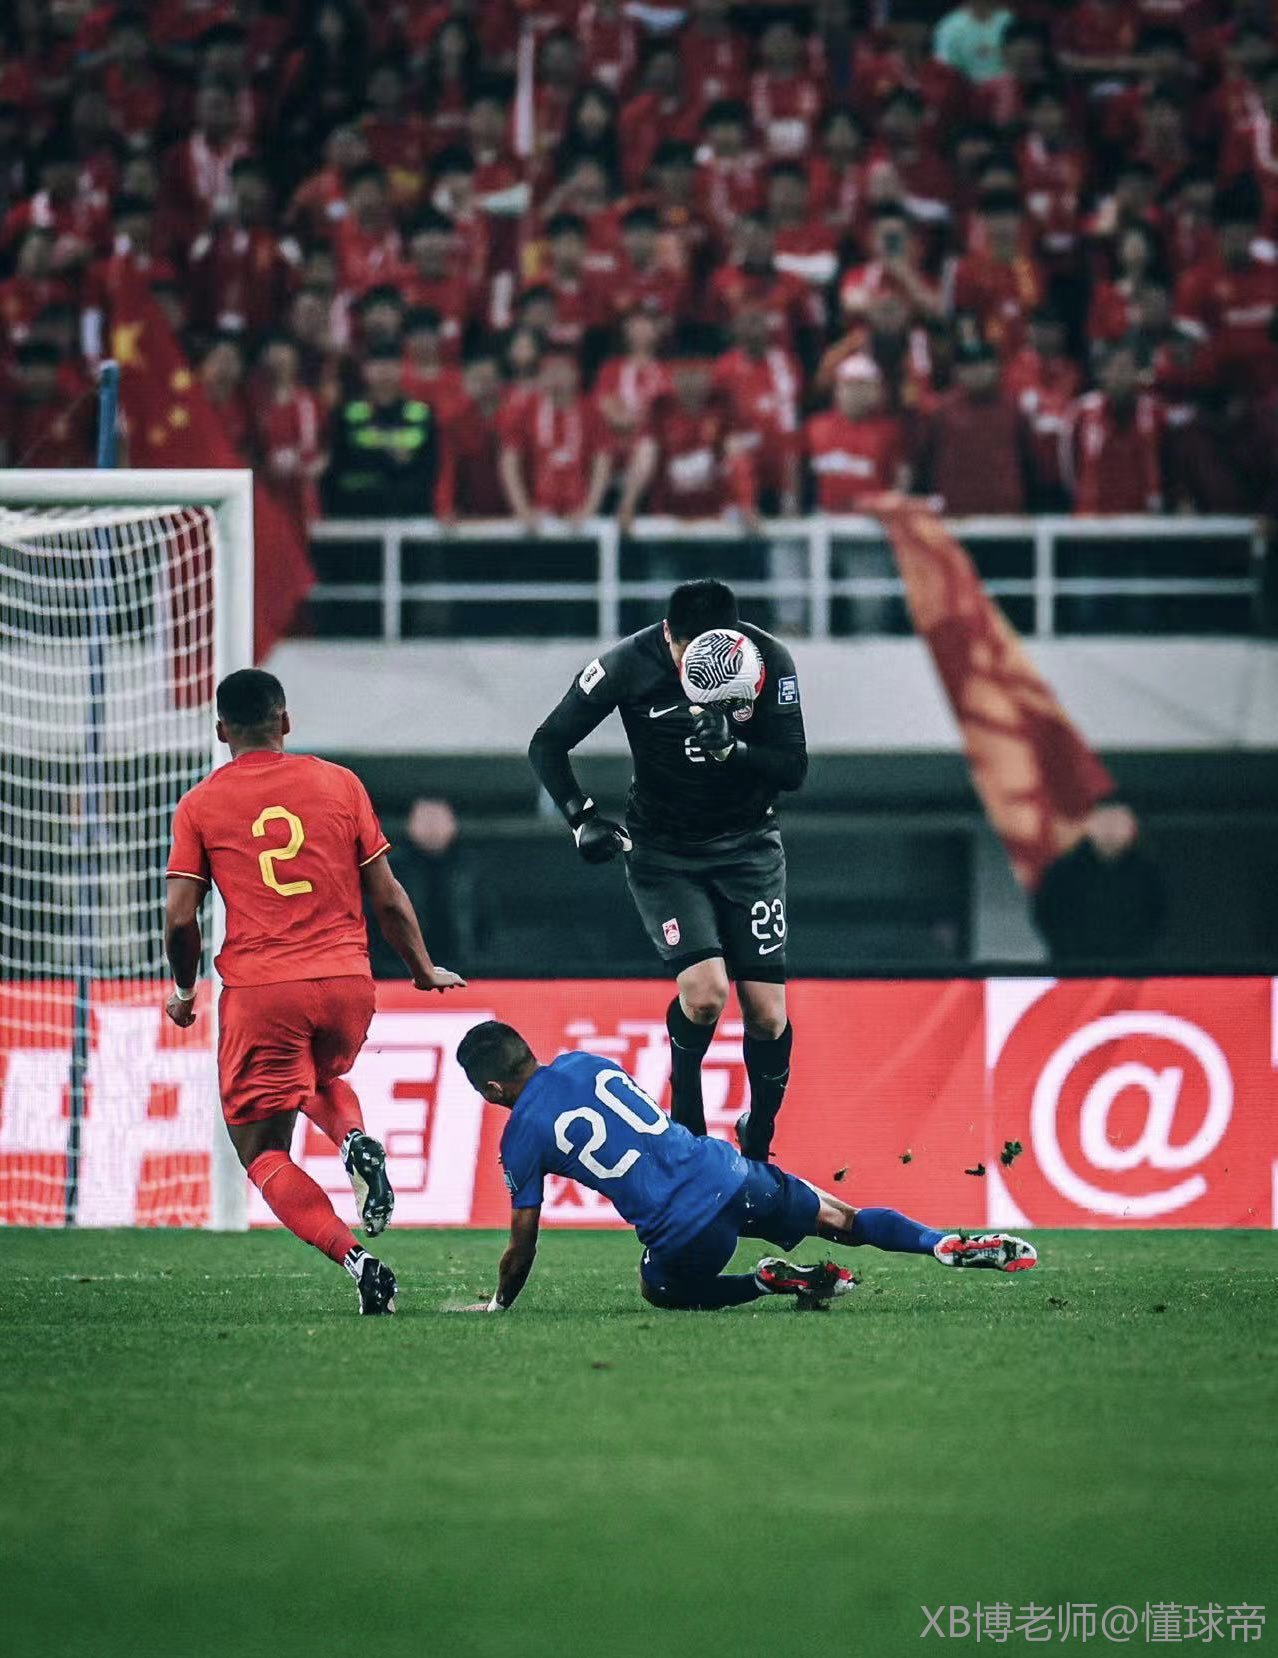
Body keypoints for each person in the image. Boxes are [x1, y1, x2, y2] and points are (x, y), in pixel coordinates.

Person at [164, 669, 465, 1315]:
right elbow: (387, 895)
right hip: (347, 984)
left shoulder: (201, 804)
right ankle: (353, 1139)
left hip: (264, 991)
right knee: (321, 1076)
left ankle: (360, 1262)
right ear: (285, 721)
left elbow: (180, 917)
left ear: (221, 732)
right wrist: (422, 968)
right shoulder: (340, 783)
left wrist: (185, 990)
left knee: (262, 1150)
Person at [452, 1019, 1038, 1312]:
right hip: (728, 1172)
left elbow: (523, 1244)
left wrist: (500, 1303)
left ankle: (765, 1280)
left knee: (659, 1290)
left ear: (493, 1088)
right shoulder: (587, 1061)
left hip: (683, 1229)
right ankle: (941, 1243)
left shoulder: (520, 1135)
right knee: (846, 1220)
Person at [528, 579, 805, 1163]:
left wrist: (735, 751)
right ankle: (687, 1119)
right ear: (668, 636)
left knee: (766, 1013)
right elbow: (547, 743)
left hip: (749, 849)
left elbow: (793, 768)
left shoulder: (768, 660)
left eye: (713, 653)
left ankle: (760, 1130)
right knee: (705, 995)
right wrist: (581, 818)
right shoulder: (626, 664)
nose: (697, 666)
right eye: (686, 653)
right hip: (664, 854)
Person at [1032, 803, 1166, 962]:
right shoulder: (1062, 872)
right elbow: (1046, 914)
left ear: (1131, 828)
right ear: (1089, 825)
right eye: (1103, 822)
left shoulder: (1148, 875)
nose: (1110, 830)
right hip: (1074, 966)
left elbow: (1157, 918)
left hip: (1132, 967)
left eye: (1118, 822)